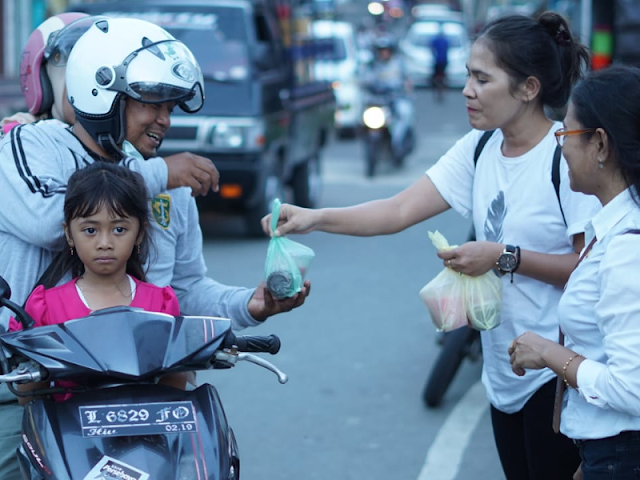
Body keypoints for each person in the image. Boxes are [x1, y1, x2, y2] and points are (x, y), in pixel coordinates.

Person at [262, 12, 602, 480]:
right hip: (503, 371)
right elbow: (398, 210)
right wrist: (314, 218)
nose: (467, 89)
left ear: (529, 88)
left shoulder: (564, 159)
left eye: (483, 79)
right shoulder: (480, 148)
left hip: (553, 373)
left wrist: (503, 256)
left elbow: (590, 268)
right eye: (467, 75)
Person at [0, 16, 309, 480]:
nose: (165, 119)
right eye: (153, 104)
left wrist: (253, 304)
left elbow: (183, 289)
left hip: (144, 396)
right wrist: (160, 175)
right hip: (32, 388)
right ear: (103, 91)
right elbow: (50, 221)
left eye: (171, 106)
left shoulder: (169, 184)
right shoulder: (30, 145)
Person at [508, 65, 640, 480]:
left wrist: (549, 354)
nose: (559, 147)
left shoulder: (626, 248)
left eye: (565, 135)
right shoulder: (613, 229)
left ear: (599, 144)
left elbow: (631, 389)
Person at [11, 162, 188, 402]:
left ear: (140, 233)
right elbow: (28, 398)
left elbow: (174, 388)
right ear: (69, 234)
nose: (105, 242)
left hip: (144, 434)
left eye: (119, 229)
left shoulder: (161, 304)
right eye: (90, 230)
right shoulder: (45, 307)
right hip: (69, 437)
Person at [363, 35, 415, 159]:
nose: (384, 53)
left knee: (404, 115)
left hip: (396, 98)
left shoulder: (399, 64)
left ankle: (398, 143)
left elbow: (408, 82)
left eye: (386, 51)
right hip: (378, 100)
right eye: (381, 51)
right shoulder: (372, 65)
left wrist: (406, 91)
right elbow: (365, 80)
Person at [430, 25, 450, 101]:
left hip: (438, 61)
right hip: (443, 61)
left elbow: (432, 48)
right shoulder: (445, 41)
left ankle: (438, 87)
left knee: (437, 77)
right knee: (442, 76)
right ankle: (442, 87)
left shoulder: (436, 40)